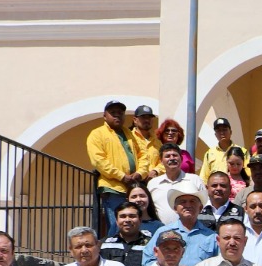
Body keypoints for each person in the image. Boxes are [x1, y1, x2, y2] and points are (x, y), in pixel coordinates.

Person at [88, 100, 144, 237]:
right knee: (117, 226)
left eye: (120, 113)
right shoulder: (97, 134)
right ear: (104, 116)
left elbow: (143, 155)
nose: (117, 115)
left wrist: (140, 173)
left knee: (134, 224)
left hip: (132, 188)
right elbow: (98, 160)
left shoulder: (129, 134)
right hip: (113, 188)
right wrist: (121, 176)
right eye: (113, 113)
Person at [143, 184, 218, 266]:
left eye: (192, 201)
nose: (188, 205)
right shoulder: (162, 232)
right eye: (183, 202)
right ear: (175, 208)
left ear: (200, 208)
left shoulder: (212, 237)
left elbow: (219, 265)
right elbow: (147, 261)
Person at [148, 144, 208, 224]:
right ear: (161, 161)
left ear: (181, 159)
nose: (172, 158)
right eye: (167, 156)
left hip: (191, 229)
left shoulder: (195, 180)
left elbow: (205, 204)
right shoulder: (153, 183)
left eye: (175, 155)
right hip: (161, 230)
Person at [101, 202, 150, 266]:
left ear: (140, 220)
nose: (127, 220)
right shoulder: (105, 244)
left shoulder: (150, 244)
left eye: (132, 216)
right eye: (123, 216)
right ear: (116, 221)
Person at [129, 104, 162, 178]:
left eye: (149, 118)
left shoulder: (157, 141)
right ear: (135, 120)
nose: (147, 120)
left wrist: (156, 171)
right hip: (134, 180)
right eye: (143, 117)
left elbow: (164, 161)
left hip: (153, 181)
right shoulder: (129, 138)